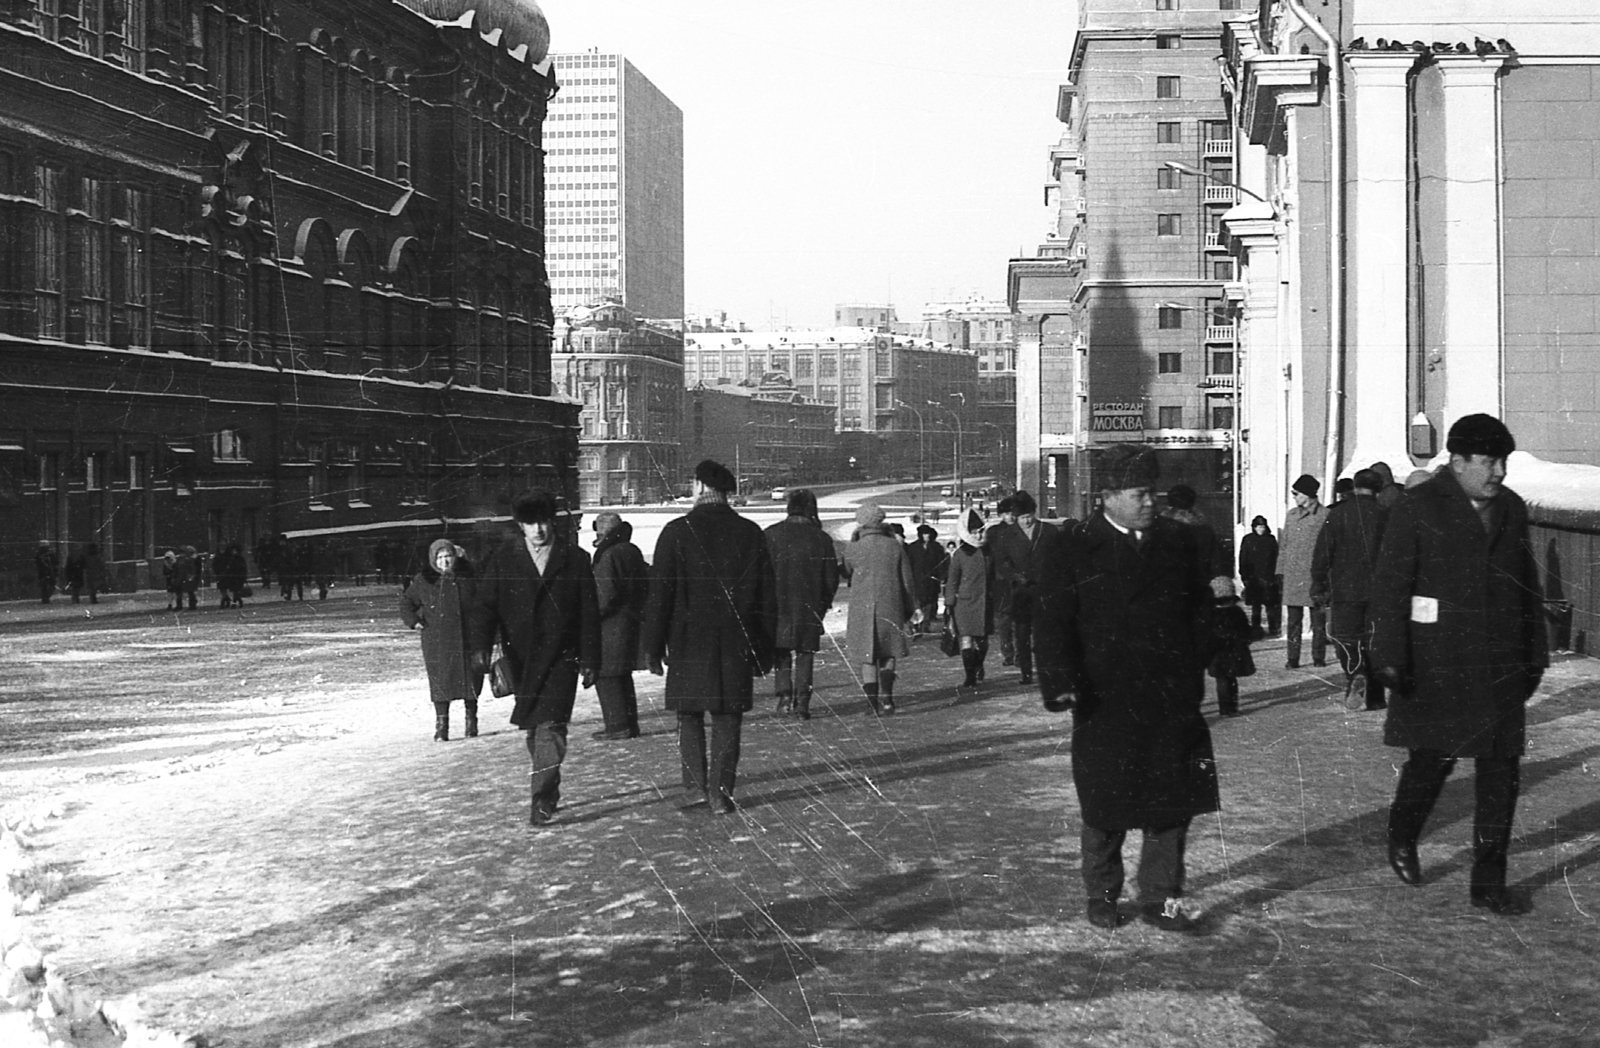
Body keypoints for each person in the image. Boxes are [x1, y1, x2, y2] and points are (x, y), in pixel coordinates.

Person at [1034, 444, 1219, 933]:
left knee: (1174, 801)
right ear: (1108, 496)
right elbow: (1052, 621)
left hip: (1169, 693)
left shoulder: (1179, 541)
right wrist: (1060, 681)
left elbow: (1200, 608)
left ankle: (1163, 897)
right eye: (1140, 493)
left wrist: (1210, 656)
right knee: (1106, 802)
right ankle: (1102, 893)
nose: (1150, 502)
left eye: (1153, 493)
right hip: (1105, 695)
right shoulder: (1072, 546)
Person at [1371, 414, 1547, 916]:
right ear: (1458, 461)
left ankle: (1488, 882)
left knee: (1500, 775)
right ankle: (1403, 835)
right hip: (1436, 663)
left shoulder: (1511, 508)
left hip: (1498, 666)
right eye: (1490, 462)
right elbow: (1390, 586)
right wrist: (1388, 656)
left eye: (1504, 462)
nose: (1499, 472)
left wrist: (1534, 653)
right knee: (1431, 761)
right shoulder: (1419, 506)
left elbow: (1525, 583)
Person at [643, 460, 777, 815]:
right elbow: (766, 598)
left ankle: (694, 788)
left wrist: (652, 648)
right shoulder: (751, 533)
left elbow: (660, 596)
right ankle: (720, 792)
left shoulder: (676, 531)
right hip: (736, 640)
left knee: (688, 715)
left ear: (700, 488)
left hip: (688, 641)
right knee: (727, 716)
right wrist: (764, 650)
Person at [469, 491, 601, 826]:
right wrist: (480, 647)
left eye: (543, 521)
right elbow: (485, 607)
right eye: (530, 523)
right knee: (534, 729)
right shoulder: (504, 559)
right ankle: (549, 786)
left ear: (552, 521)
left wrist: (590, 657)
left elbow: (588, 611)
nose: (538, 529)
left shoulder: (575, 559)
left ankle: (540, 797)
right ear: (520, 525)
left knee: (551, 726)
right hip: (521, 656)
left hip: (562, 656)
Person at [1311, 468, 1390, 711]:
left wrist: (1319, 583)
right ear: (1377, 489)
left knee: (1346, 639)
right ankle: (1375, 697)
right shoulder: (1386, 515)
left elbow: (1322, 552)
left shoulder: (1337, 515)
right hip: (1380, 592)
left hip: (1345, 590)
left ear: (1354, 486)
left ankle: (1356, 673)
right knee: (1374, 641)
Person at [763, 489, 840, 720]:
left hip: (778, 605)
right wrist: (823, 604)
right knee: (806, 654)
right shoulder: (822, 538)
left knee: (781, 651)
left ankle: (784, 696)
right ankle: (802, 704)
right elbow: (831, 579)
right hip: (809, 606)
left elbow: (761, 573)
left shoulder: (771, 535)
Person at [840, 500, 920, 715]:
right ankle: (887, 698)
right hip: (890, 605)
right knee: (888, 653)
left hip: (862, 609)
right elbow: (907, 581)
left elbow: (846, 571)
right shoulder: (895, 546)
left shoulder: (854, 547)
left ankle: (871, 703)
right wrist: (912, 606)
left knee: (867, 656)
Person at [401, 539, 484, 741]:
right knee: (441, 684)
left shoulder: (469, 575)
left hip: (468, 638)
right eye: (440, 557)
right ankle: (441, 726)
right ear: (433, 559)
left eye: (448, 556)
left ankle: (471, 723)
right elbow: (406, 603)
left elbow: (485, 602)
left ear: (455, 557)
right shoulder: (424, 580)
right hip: (438, 642)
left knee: (471, 681)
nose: (445, 561)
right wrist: (414, 622)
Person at [590, 512, 649, 740]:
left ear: (604, 530)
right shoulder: (630, 549)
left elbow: (605, 595)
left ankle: (617, 726)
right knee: (623, 675)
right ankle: (629, 723)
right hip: (630, 622)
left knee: (606, 675)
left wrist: (589, 617)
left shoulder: (608, 554)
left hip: (610, 626)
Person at [988, 490, 1056, 684]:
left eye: (1029, 517)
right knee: (1022, 633)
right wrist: (1015, 576)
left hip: (1045, 590)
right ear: (1016, 517)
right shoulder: (1007, 536)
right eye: (1022, 518)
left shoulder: (1048, 531)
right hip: (1020, 592)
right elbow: (1001, 562)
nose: (1026, 521)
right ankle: (1026, 671)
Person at [1279, 474, 1329, 669]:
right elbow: (1284, 545)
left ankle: (1318, 656)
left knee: (1318, 621)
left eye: (1296, 493)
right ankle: (1293, 658)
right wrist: (1280, 572)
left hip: (1315, 576)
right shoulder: (1291, 515)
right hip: (1292, 576)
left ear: (1307, 494)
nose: (1294, 496)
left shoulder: (1324, 515)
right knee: (1293, 621)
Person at [944, 507, 995, 689]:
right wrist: (949, 603)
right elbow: (952, 581)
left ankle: (979, 663)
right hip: (964, 603)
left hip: (985, 602)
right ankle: (970, 675)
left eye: (981, 531)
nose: (979, 536)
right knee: (966, 639)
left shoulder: (990, 552)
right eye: (975, 532)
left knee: (982, 642)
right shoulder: (959, 555)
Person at [1207, 578, 1255, 717]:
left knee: (1221, 680)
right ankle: (1232, 707)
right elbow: (1246, 631)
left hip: (1217, 652)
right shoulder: (1237, 612)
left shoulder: (1210, 613)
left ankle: (1224, 708)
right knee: (1232, 679)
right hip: (1235, 651)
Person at [989, 497, 1020, 666]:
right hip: (1000, 583)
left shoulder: (1021, 530)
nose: (1011, 516)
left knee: (1020, 623)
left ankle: (1020, 655)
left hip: (1018, 583)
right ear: (1001, 514)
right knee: (1004, 623)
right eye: (1007, 513)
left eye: (1013, 513)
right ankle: (1008, 654)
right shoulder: (993, 533)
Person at [1238, 516, 1281, 638]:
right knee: (1256, 606)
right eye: (1258, 527)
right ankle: (1256, 629)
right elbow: (1243, 558)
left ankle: (1273, 628)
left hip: (1268, 576)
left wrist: (1276, 576)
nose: (1261, 529)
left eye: (1263, 527)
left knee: (1270, 605)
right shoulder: (1248, 540)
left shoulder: (1270, 540)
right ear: (1254, 527)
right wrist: (1244, 576)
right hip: (1253, 578)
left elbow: (1276, 557)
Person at [905, 524, 948, 634]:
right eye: (924, 534)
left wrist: (942, 577)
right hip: (917, 581)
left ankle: (925, 625)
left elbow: (941, 564)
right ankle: (916, 625)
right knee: (917, 604)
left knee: (929, 604)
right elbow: (909, 564)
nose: (926, 536)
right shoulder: (913, 548)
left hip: (931, 582)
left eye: (928, 534)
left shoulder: (937, 548)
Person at [214, 542, 250, 608]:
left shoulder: (238, 558)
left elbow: (242, 567)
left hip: (237, 576)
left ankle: (234, 602)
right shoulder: (228, 557)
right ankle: (232, 601)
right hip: (230, 575)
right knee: (230, 589)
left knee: (235, 590)